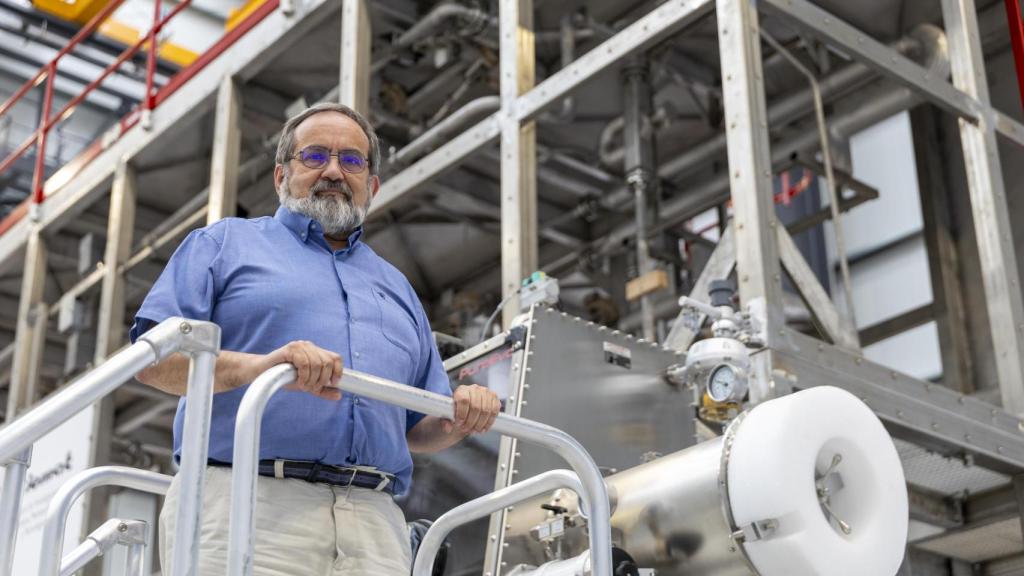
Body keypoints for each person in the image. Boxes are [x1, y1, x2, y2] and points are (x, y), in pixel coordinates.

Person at [130, 102, 502, 576]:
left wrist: (461, 415)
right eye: (314, 156)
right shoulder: (222, 245)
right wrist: (262, 369)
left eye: (351, 160)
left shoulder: (397, 288)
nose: (333, 171)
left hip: (374, 524)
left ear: (372, 185)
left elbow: (417, 428)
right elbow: (154, 362)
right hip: (245, 502)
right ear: (280, 176)